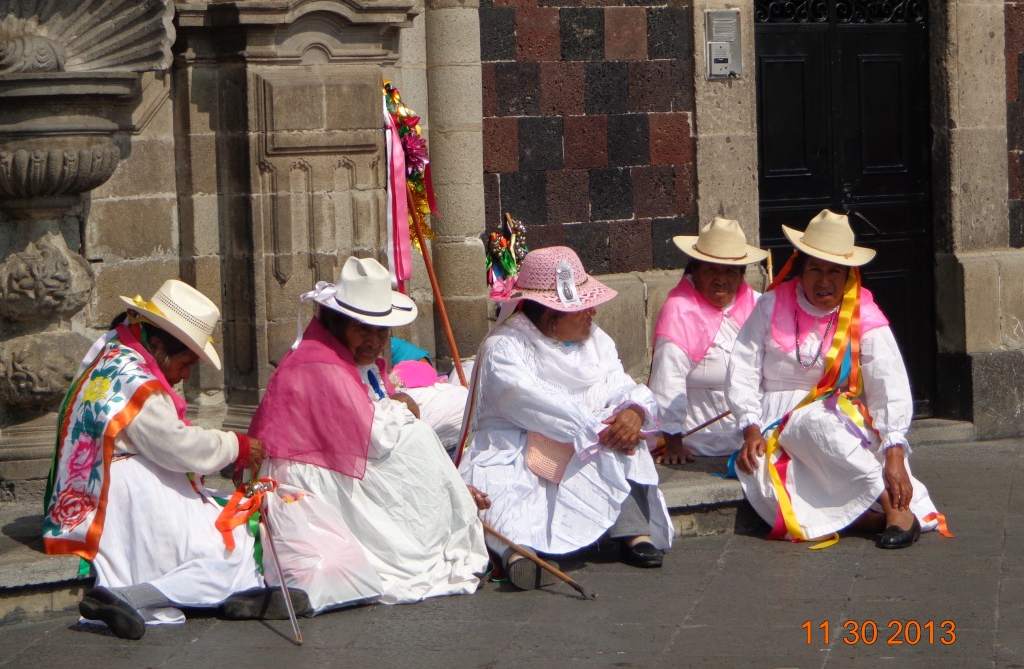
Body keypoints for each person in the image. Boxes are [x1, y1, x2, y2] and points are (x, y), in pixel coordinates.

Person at [42, 280, 300, 640]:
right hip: (124, 493)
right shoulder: (138, 384)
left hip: (93, 487)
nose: (185, 375)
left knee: (221, 535)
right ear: (158, 346)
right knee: (226, 553)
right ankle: (132, 597)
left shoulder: (115, 352)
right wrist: (235, 446)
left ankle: (136, 598)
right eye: (186, 363)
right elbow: (176, 445)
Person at [249, 256, 489, 604]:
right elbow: (375, 435)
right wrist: (401, 409)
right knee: (416, 438)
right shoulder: (319, 364)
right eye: (364, 329)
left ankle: (451, 504)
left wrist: (446, 484)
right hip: (309, 475)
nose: (374, 341)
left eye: (381, 331)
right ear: (338, 325)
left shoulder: (350, 362)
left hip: (340, 464)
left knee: (418, 441)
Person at [459, 246, 673, 589]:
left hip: (585, 435)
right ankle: (519, 554)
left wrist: (632, 411)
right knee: (500, 486)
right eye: (582, 307)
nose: (592, 313)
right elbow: (535, 404)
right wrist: (597, 427)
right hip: (516, 442)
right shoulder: (504, 347)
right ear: (551, 315)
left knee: (624, 440)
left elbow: (618, 383)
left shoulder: (596, 340)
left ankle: (633, 531)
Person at [727, 210, 942, 548]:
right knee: (774, 485)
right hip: (771, 420)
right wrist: (750, 427)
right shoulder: (770, 305)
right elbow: (742, 369)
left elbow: (889, 384)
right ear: (800, 270)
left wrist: (894, 451)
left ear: (848, 274)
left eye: (834, 271)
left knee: (818, 424)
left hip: (836, 416)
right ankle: (881, 516)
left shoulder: (862, 314)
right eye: (815, 269)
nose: (823, 281)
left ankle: (891, 507)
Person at [648, 217, 767, 462]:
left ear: (741, 275)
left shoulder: (759, 305)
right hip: (697, 438)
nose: (720, 280)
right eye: (711, 269)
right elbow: (667, 379)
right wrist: (673, 443)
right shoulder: (679, 310)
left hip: (756, 433)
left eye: (729, 271)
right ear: (695, 271)